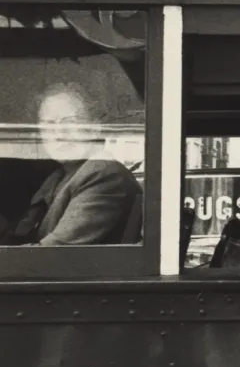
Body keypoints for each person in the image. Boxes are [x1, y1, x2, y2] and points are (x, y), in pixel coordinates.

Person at [0, 82, 141, 246]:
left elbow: (53, 252)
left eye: (70, 122)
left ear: (95, 128)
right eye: (49, 125)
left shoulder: (103, 173)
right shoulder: (56, 178)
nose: (59, 134)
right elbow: (20, 234)